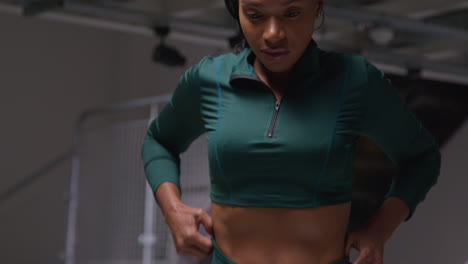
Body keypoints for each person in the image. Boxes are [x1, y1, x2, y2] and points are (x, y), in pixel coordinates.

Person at [141, 0, 442, 263]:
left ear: (318, 5)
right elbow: (159, 140)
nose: (273, 34)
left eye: (292, 12)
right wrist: (172, 209)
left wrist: (379, 230)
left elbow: (421, 158)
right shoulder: (208, 79)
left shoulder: (355, 81)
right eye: (255, 14)